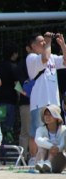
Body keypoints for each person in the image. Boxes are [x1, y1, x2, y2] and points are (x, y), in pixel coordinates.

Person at [25, 32, 66, 166]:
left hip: (53, 102)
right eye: (41, 41)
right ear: (32, 46)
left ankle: (50, 160)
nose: (44, 43)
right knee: (36, 132)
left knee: (56, 132)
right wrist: (49, 43)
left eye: (45, 41)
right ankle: (33, 158)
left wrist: (62, 45)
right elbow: (44, 58)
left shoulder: (52, 57)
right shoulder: (31, 57)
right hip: (39, 102)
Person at [0, 43, 20, 142]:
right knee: (8, 128)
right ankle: (9, 150)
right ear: (14, 54)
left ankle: (0, 151)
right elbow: (17, 84)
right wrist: (22, 95)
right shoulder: (14, 67)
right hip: (10, 102)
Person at [35, 105, 66, 173]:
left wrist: (56, 148)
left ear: (56, 117)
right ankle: (42, 162)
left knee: (53, 143)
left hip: (58, 161)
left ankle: (48, 162)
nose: (47, 117)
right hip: (41, 160)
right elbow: (38, 140)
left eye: (50, 115)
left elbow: (62, 145)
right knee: (44, 142)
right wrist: (51, 146)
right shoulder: (40, 129)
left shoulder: (64, 130)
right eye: (45, 115)